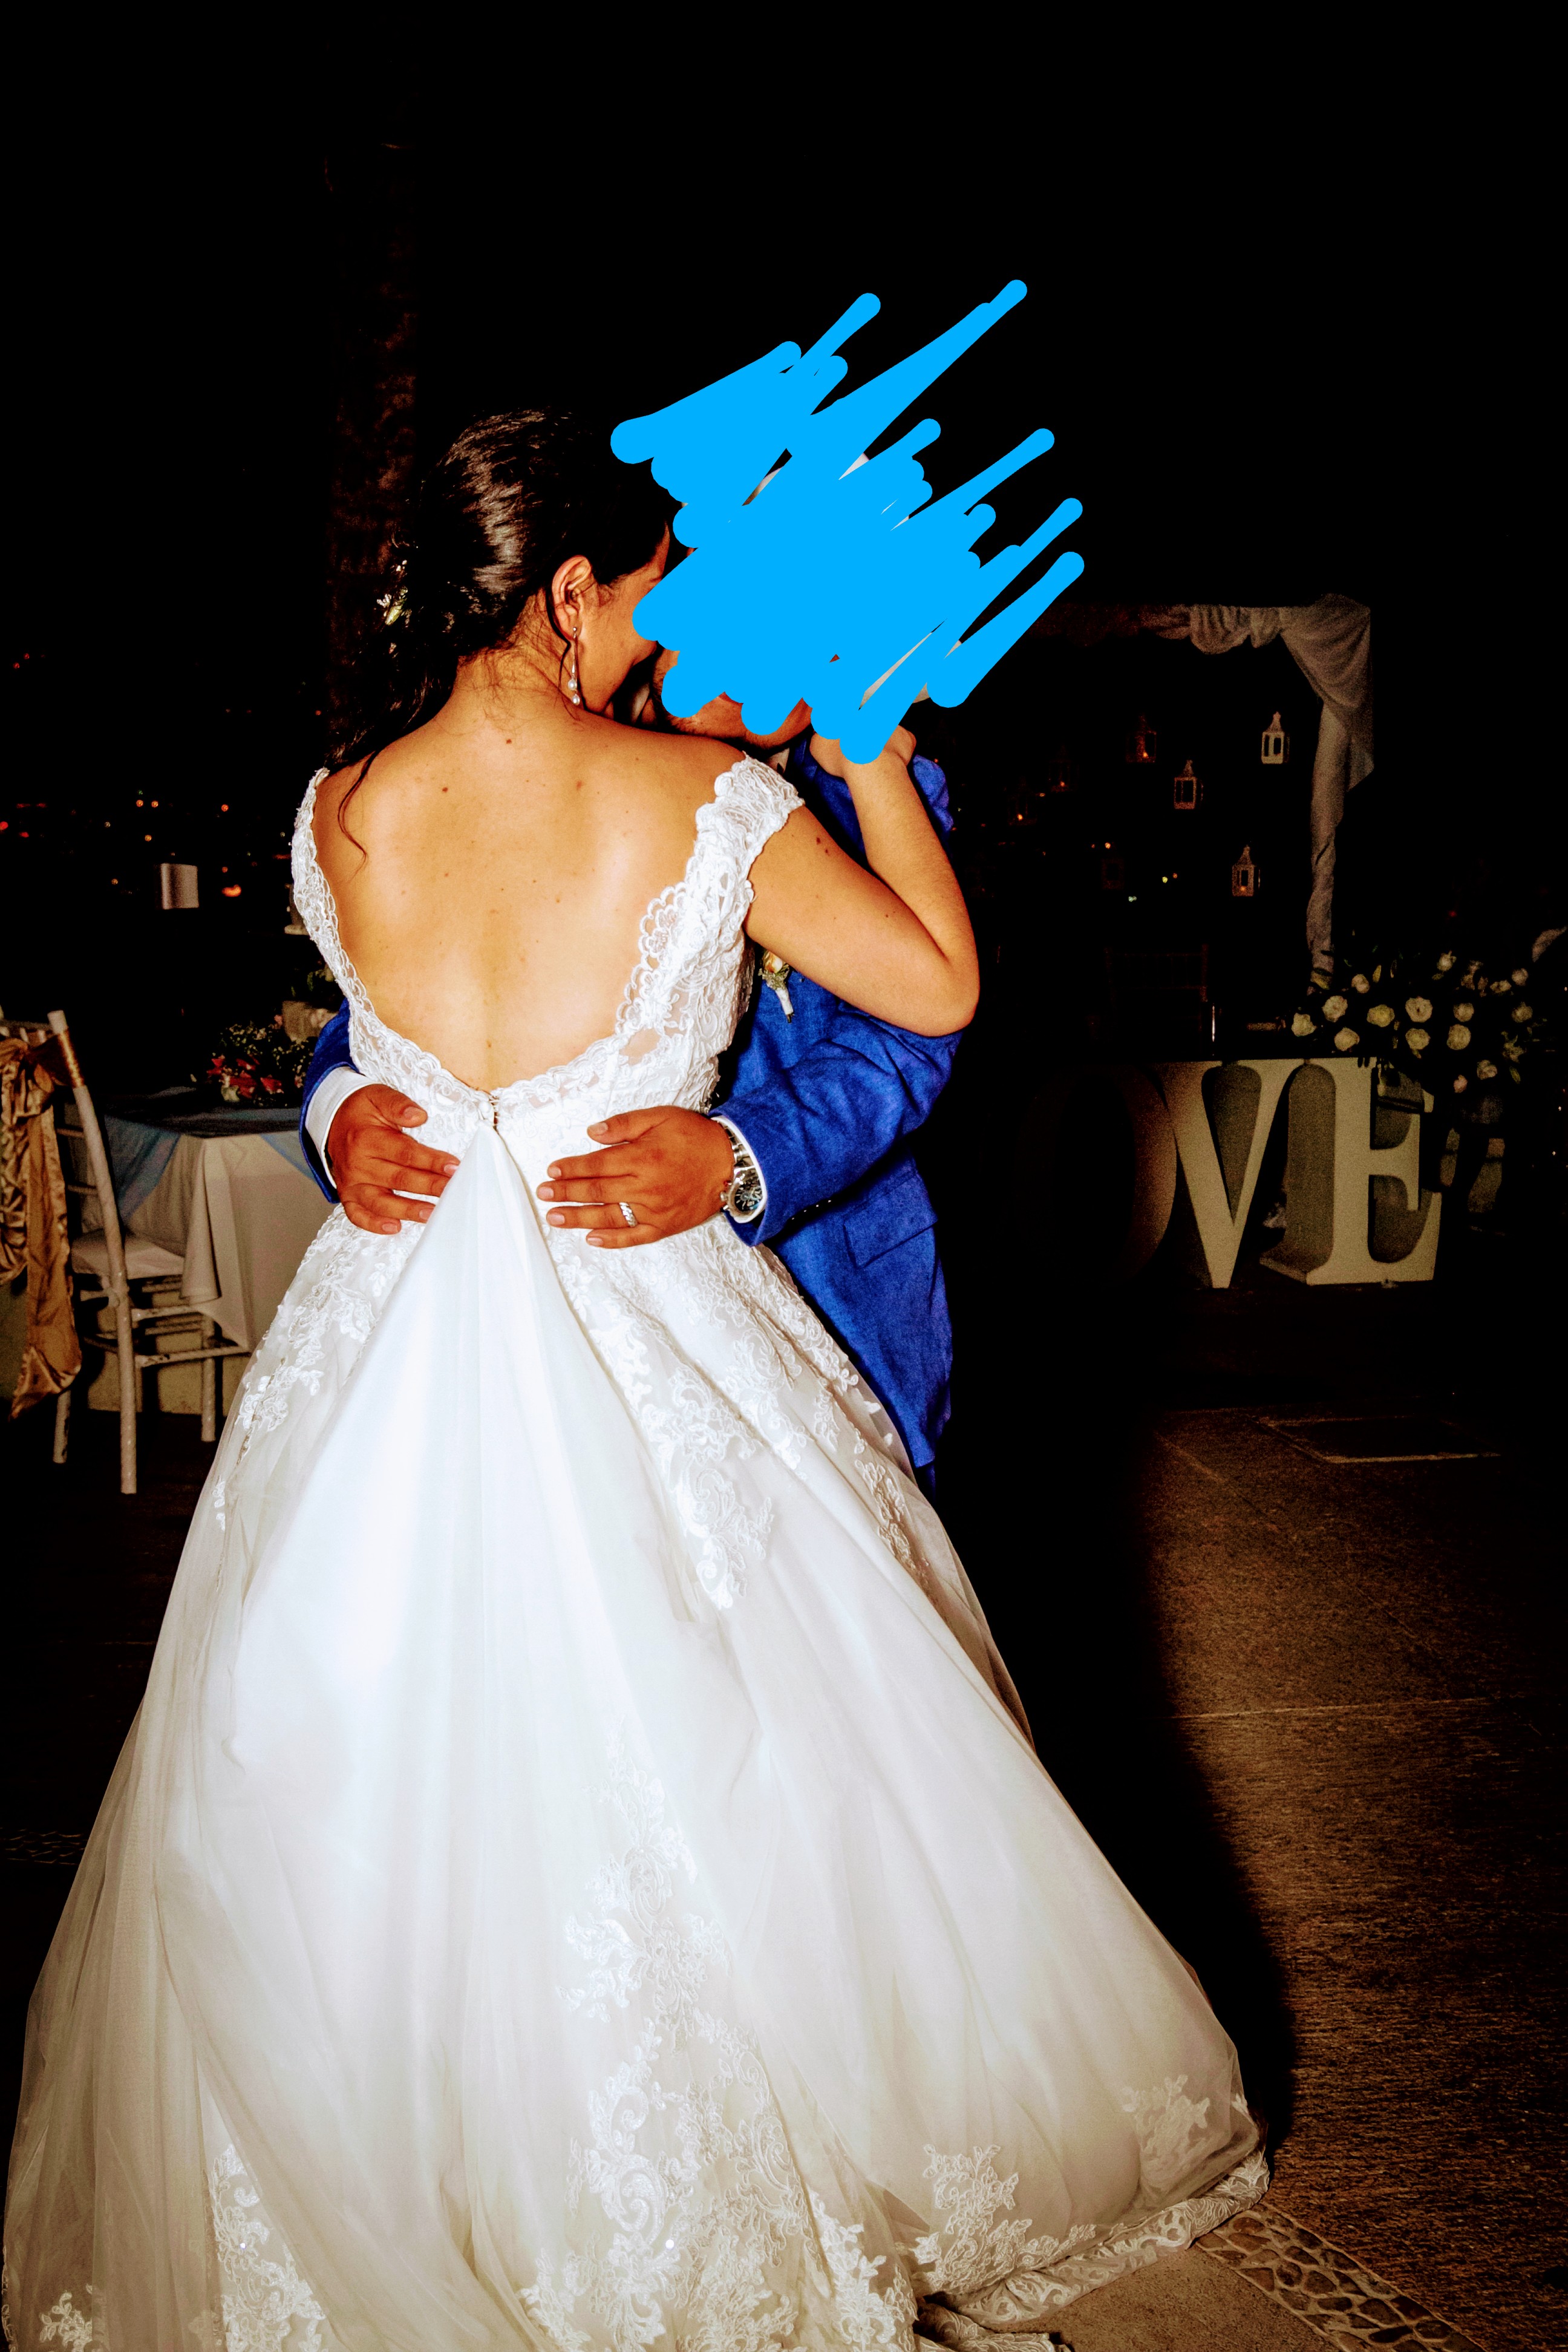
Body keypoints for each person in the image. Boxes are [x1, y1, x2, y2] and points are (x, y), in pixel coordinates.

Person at [5, 410, 1263, 2350]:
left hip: (391, 1350)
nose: (671, 625)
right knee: (718, 1742)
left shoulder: (340, 808)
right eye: (651, 585)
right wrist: (871, 761)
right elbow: (936, 986)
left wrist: (449, 1110)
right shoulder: (703, 795)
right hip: (645, 1322)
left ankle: (411, 2161)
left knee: (378, 1748)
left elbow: (421, 1023)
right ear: (570, 587)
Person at [299, 665, 963, 1485]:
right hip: (537, 1289)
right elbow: (384, 998)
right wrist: (340, 1105)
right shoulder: (564, 759)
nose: (762, 661)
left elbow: (912, 1035)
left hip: (834, 1289)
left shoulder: (870, 784)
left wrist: (740, 1156)